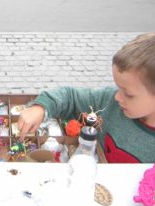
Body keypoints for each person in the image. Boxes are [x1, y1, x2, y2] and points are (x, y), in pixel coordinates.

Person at [18, 33, 155, 163]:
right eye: (118, 88)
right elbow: (70, 96)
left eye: (128, 94)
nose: (117, 97)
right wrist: (41, 108)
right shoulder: (108, 101)